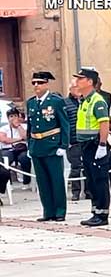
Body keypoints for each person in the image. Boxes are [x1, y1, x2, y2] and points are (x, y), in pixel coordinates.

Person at [25, 71, 70, 221]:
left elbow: (64, 124)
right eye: (34, 83)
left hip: (52, 146)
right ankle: (48, 211)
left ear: (46, 84)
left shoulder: (56, 101)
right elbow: (30, 127)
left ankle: (59, 211)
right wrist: (29, 145)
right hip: (37, 146)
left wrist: (63, 145)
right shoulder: (31, 102)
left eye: (39, 82)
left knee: (56, 180)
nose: (36, 86)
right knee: (42, 182)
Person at [73, 67, 111, 226]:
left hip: (95, 143)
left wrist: (102, 145)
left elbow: (104, 123)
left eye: (80, 78)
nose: (77, 81)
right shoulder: (85, 100)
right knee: (91, 179)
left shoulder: (97, 100)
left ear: (90, 82)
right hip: (86, 145)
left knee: (99, 179)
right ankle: (95, 211)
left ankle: (102, 214)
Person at [0, 107, 30, 189]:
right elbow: (4, 140)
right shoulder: (4, 128)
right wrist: (19, 139)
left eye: (15, 116)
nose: (13, 118)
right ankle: (8, 183)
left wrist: (18, 126)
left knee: (25, 158)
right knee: (5, 158)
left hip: (22, 149)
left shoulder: (25, 126)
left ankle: (26, 181)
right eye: (11, 116)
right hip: (8, 149)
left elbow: (26, 137)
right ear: (8, 118)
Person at [65, 82, 84, 201]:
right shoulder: (65, 103)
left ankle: (88, 191)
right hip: (73, 140)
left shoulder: (85, 101)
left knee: (87, 166)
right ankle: (75, 192)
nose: (78, 90)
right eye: (76, 88)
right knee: (75, 167)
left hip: (86, 139)